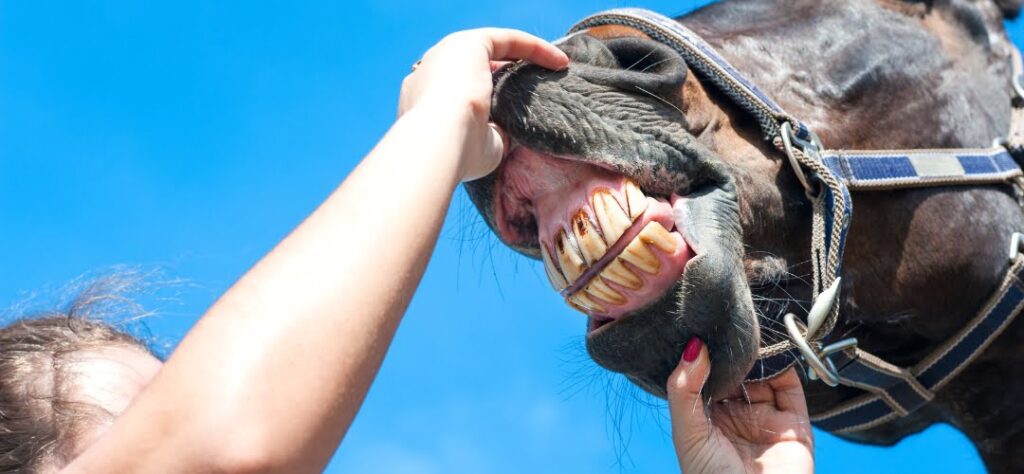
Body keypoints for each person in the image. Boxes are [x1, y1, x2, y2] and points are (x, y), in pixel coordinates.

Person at [0, 28, 813, 473]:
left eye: (173, 398)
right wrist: (439, 120)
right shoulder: (220, 443)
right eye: (141, 428)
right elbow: (222, 449)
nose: (182, 416)